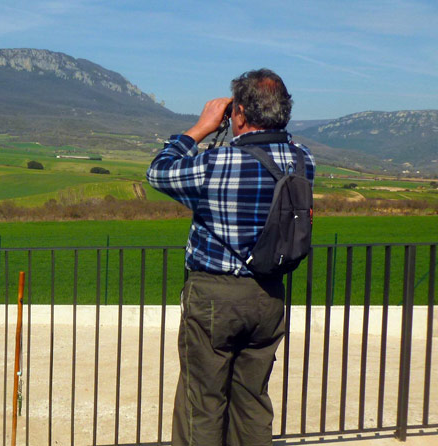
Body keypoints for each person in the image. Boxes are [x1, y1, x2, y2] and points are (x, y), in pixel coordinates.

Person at [147, 68, 315, 445]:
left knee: (202, 400)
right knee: (252, 400)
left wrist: (202, 127)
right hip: (269, 295)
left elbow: (158, 172)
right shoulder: (303, 160)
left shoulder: (219, 164)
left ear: (238, 113)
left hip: (215, 298)